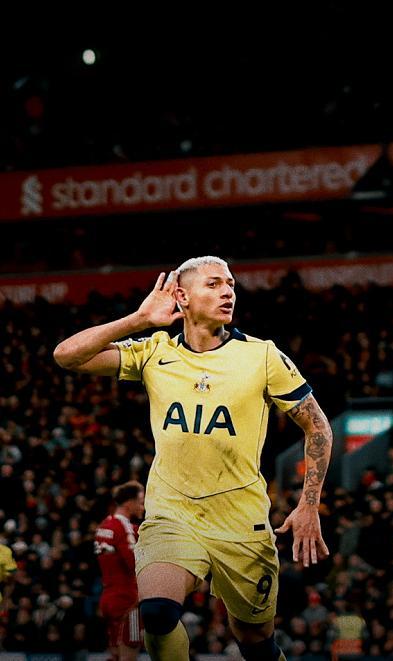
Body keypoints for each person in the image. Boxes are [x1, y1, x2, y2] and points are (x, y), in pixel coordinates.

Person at [54, 256, 333, 661]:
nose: (228, 292)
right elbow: (67, 356)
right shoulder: (155, 351)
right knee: (156, 613)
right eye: (214, 284)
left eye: (231, 284)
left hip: (241, 521)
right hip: (172, 514)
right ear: (182, 297)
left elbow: (318, 426)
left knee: (255, 639)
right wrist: (138, 320)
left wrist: (309, 505)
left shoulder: (262, 356)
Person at [95, 481, 146, 661]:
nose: (143, 507)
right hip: (127, 602)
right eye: (141, 502)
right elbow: (134, 564)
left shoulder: (104, 525)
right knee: (128, 657)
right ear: (129, 503)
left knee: (115, 656)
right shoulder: (124, 528)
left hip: (109, 598)